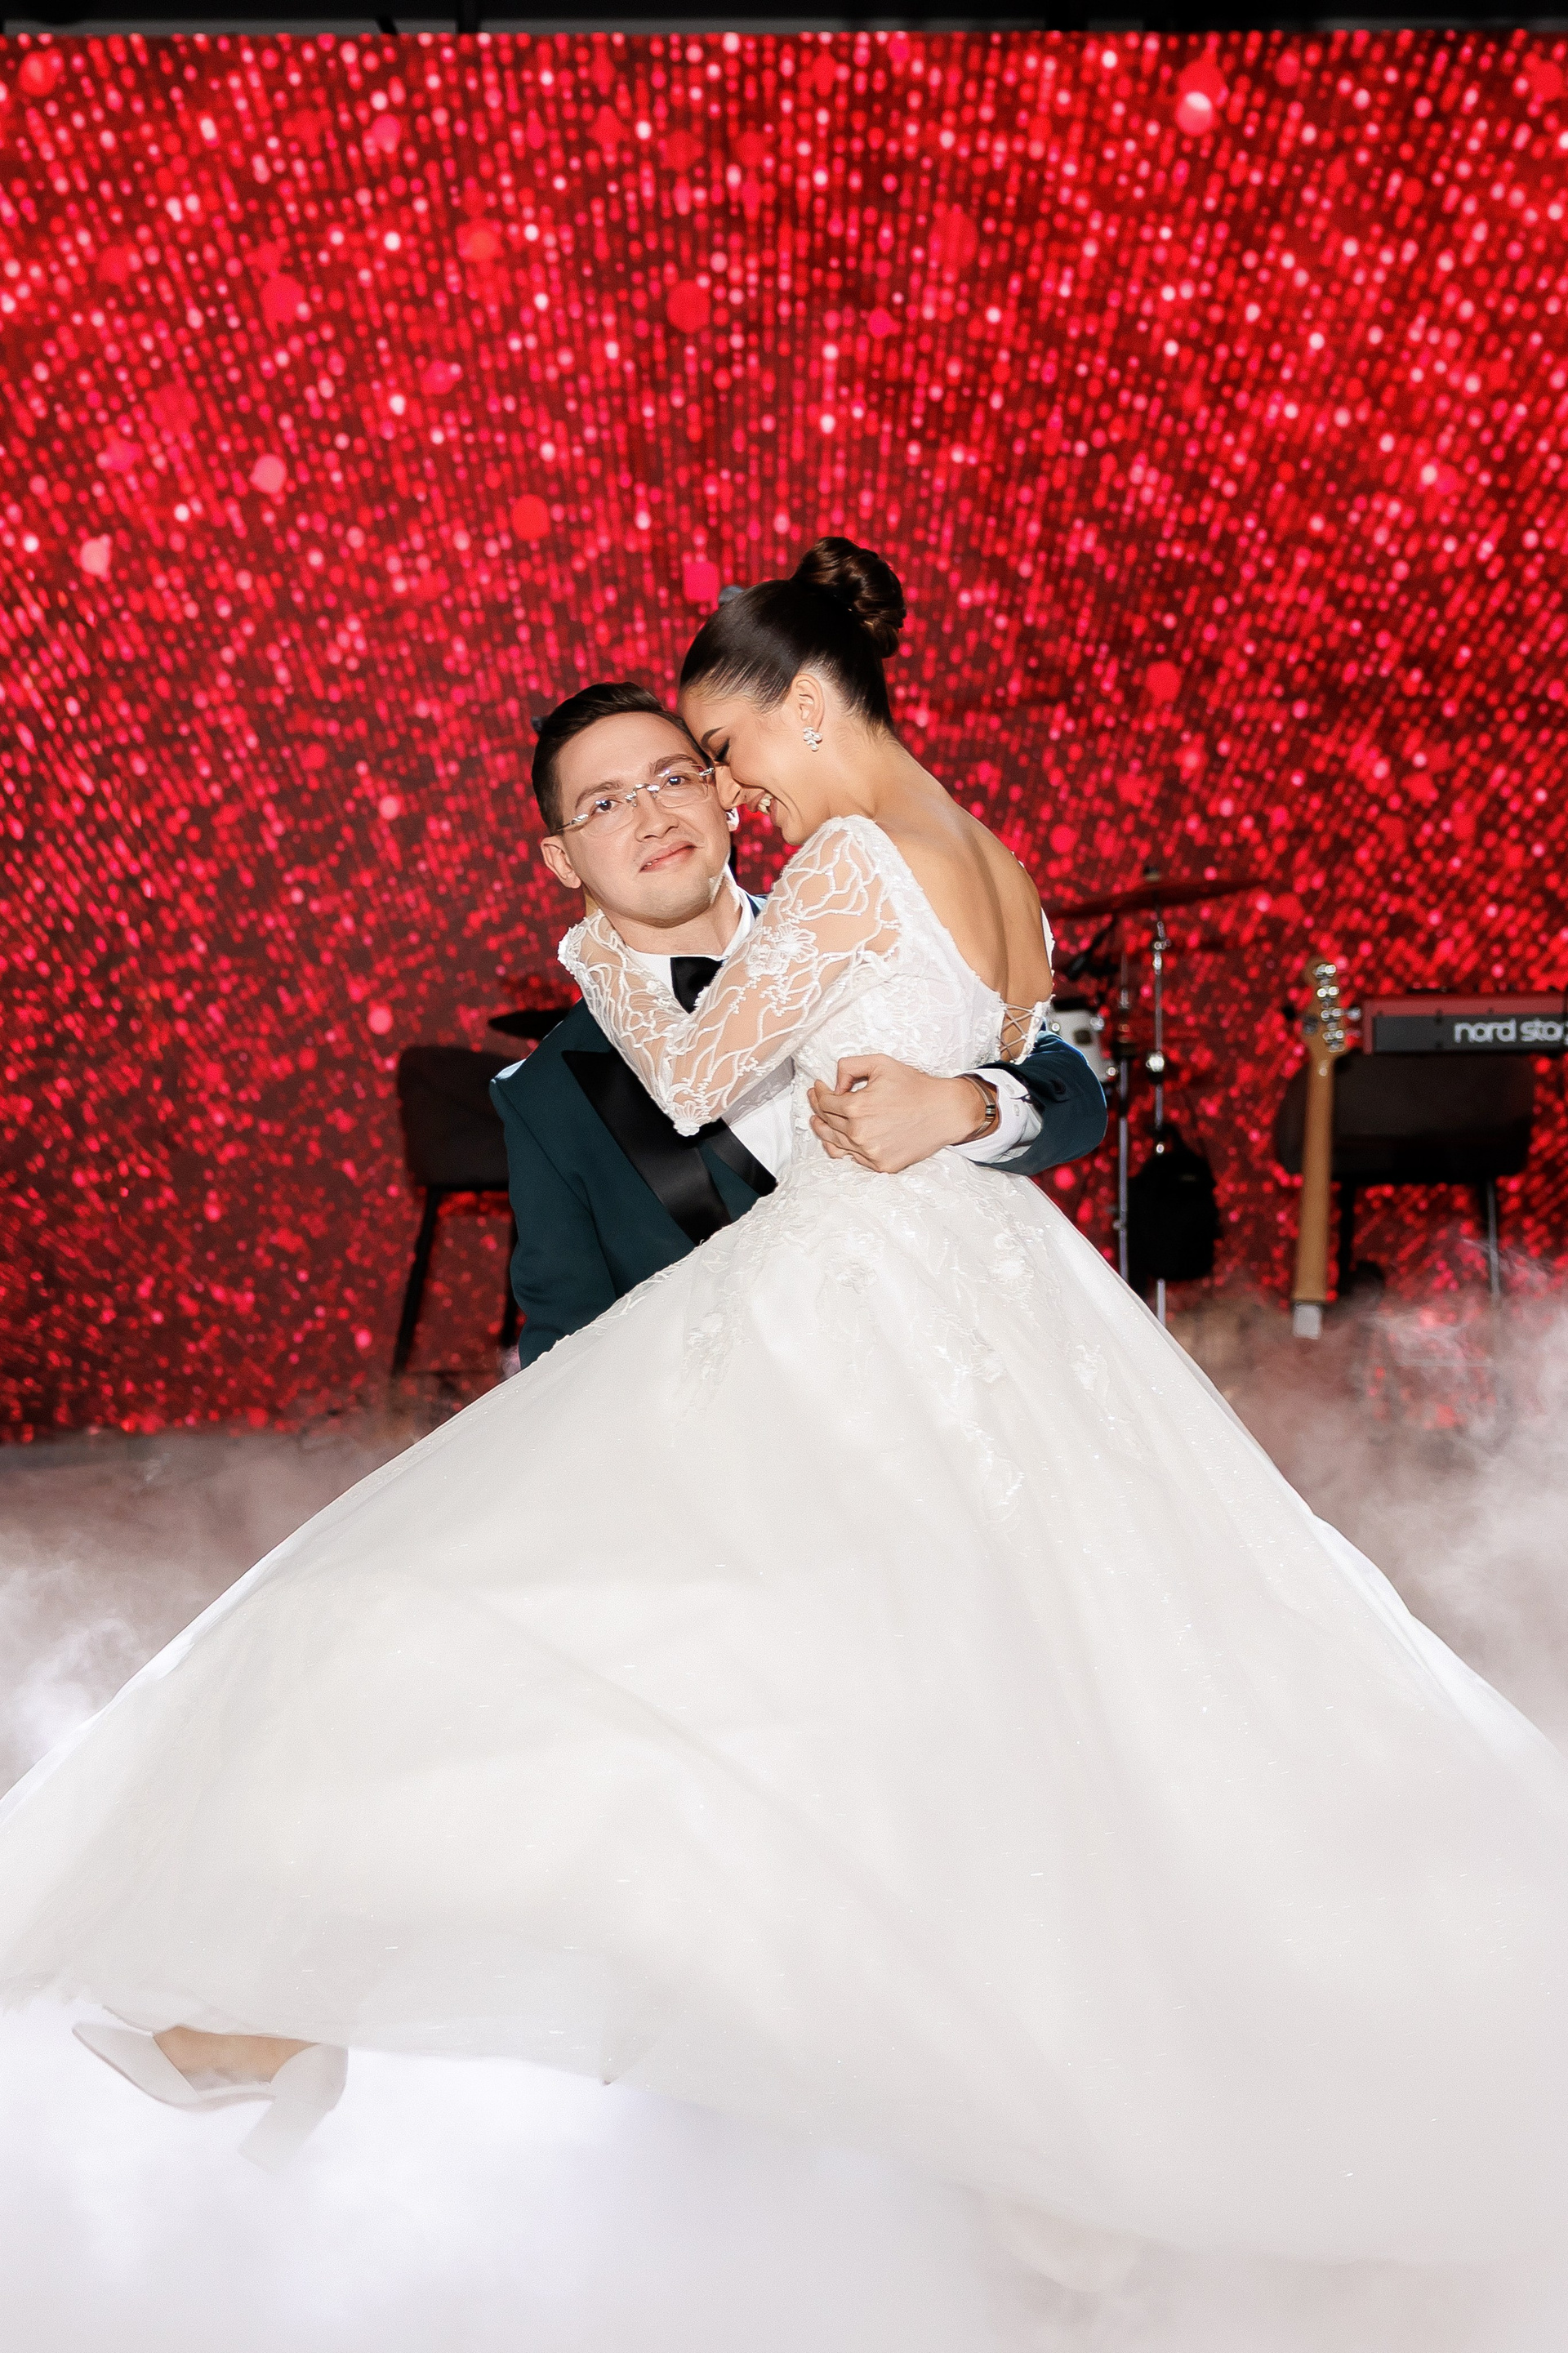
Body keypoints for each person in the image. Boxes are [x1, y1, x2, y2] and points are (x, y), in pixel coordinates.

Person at [3, 541, 1568, 2276]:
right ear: (563, 835)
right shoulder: (983, 873)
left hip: (866, 1320)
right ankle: (1040, 2150)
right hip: (967, 1319)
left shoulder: (843, 862)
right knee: (984, 1710)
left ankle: (1054, 2148)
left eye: (713, 761)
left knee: (977, 1724)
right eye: (627, 798)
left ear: (805, 709)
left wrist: (866, 1063)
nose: (718, 799)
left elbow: (780, 1074)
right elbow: (609, 1283)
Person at [492, 680, 1107, 1366]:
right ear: (562, 860)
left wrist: (968, 1105)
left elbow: (1073, 1091)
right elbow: (566, 1351)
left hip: (967, 1361)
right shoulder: (545, 1097)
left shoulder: (855, 915)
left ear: (725, 794)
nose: (654, 818)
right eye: (605, 804)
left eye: (674, 778)